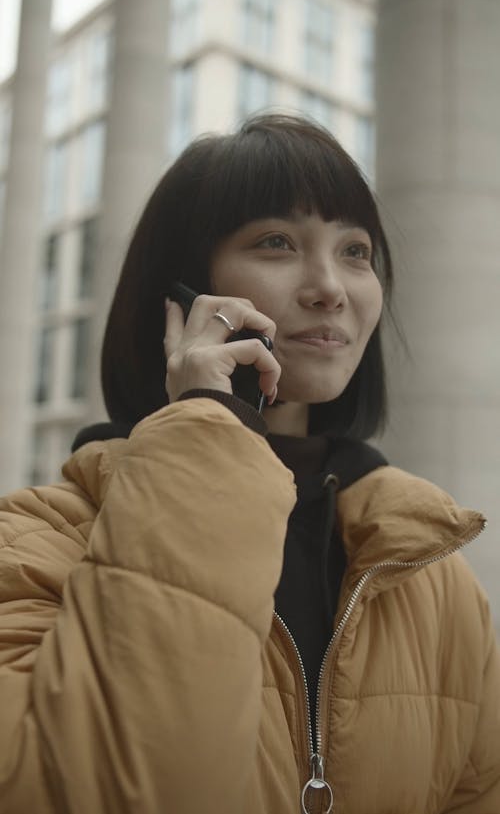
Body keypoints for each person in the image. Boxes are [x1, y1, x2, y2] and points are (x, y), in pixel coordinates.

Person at [0, 113, 499, 814]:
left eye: (356, 251)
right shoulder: (33, 541)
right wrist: (208, 428)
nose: (331, 286)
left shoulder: (426, 567)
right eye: (276, 242)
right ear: (179, 297)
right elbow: (97, 788)